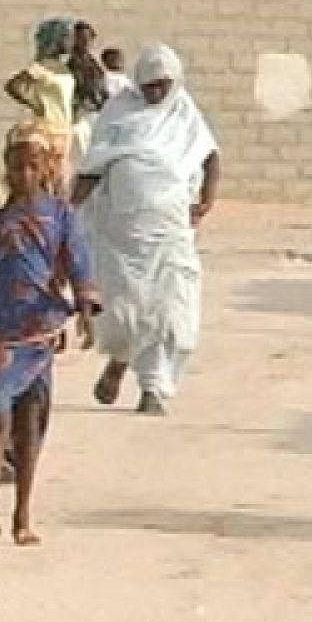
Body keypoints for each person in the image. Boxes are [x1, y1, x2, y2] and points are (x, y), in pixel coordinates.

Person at [0, 123, 97, 549]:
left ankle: (22, 514)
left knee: (30, 422)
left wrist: (86, 310)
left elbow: (79, 262)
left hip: (39, 329)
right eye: (16, 167)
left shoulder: (61, 216)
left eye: (33, 166)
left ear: (47, 167)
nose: (24, 175)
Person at [75, 43, 221, 416]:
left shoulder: (185, 114)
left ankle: (154, 388)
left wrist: (206, 200)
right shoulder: (119, 112)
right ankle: (119, 361)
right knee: (124, 310)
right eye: (149, 86)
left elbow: (210, 156)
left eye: (162, 86)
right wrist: (64, 212)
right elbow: (92, 168)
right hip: (121, 234)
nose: (156, 93)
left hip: (171, 233)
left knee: (169, 309)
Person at [4, 17, 80, 188]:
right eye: (67, 38)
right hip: (47, 129)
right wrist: (34, 103)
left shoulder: (64, 69)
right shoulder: (41, 67)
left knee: (60, 181)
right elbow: (13, 85)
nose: (71, 42)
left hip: (64, 130)